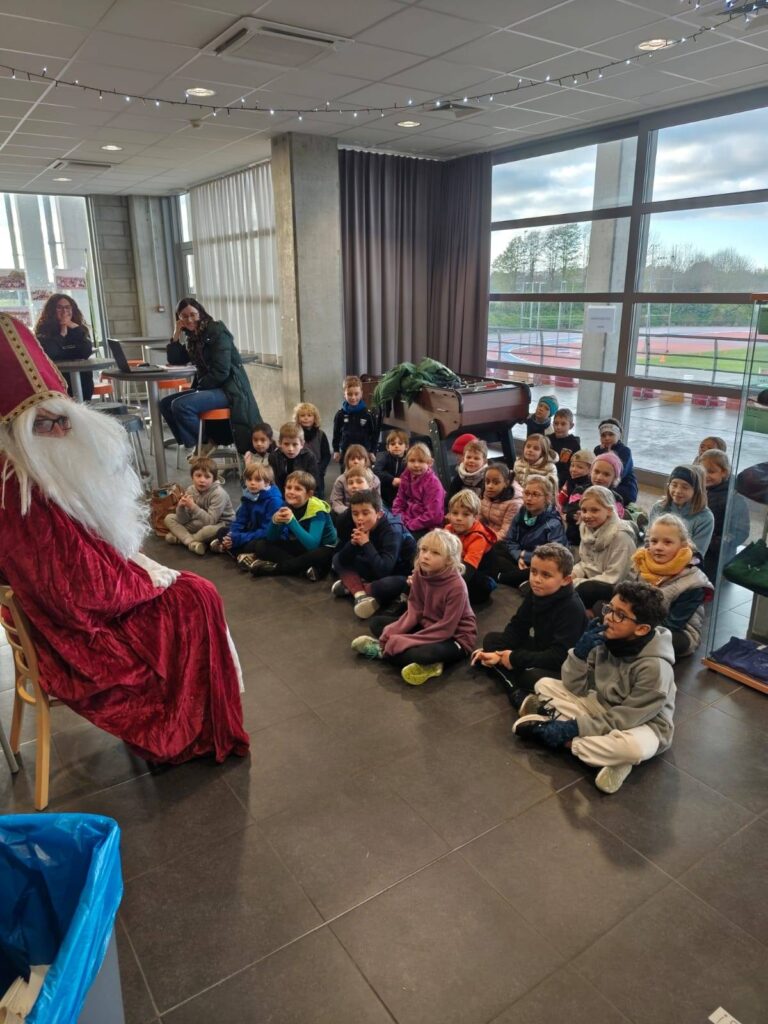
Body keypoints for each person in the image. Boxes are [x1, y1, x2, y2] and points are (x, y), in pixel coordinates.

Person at [0, 313, 248, 764]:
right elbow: (78, 593)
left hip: (68, 610)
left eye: (64, 421)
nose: (62, 433)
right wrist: (145, 580)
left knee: (188, 589)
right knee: (198, 597)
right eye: (46, 425)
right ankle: (188, 730)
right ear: (16, 431)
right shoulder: (22, 491)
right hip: (75, 631)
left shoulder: (24, 473)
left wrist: (128, 567)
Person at [512, 581, 675, 795]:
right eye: (610, 608)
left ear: (642, 629)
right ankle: (606, 758)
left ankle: (570, 741)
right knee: (544, 684)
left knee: (632, 749)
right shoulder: (607, 638)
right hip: (603, 707)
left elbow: (624, 719)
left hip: (642, 724)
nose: (608, 617)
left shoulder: (655, 668)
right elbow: (575, 687)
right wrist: (579, 655)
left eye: (620, 615)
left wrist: (573, 729)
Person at [350, 529, 477, 687]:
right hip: (427, 624)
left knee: (421, 653)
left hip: (455, 637)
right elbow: (414, 608)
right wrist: (395, 630)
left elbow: (446, 628)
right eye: (424, 550)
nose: (425, 556)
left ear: (449, 561)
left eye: (435, 553)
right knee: (378, 624)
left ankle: (383, 652)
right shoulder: (419, 573)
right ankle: (410, 657)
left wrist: (407, 639)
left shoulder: (457, 587)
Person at [473, 542, 587, 709]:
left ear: (565, 580)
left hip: (563, 665)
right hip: (542, 648)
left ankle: (512, 686)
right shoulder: (536, 592)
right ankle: (502, 665)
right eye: (533, 572)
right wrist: (501, 652)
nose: (536, 579)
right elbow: (518, 624)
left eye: (546, 575)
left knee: (529, 676)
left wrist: (513, 657)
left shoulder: (571, 608)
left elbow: (560, 657)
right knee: (491, 640)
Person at [162, 297, 260, 456]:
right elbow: (176, 360)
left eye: (193, 314)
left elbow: (221, 371)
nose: (189, 319)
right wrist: (176, 334)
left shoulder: (217, 331)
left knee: (181, 405)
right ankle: (199, 443)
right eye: (184, 316)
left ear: (200, 313)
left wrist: (200, 388)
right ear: (179, 318)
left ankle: (205, 442)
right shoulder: (193, 337)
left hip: (229, 388)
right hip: (209, 386)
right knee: (165, 404)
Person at [630, 514, 713, 657]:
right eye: (654, 541)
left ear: (682, 545)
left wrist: (631, 627)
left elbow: (673, 624)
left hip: (678, 631)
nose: (658, 547)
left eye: (667, 542)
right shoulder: (641, 563)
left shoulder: (694, 581)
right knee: (602, 608)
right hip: (640, 621)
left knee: (654, 640)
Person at [331, 489, 415, 619]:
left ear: (379, 513)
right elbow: (342, 560)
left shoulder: (392, 530)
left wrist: (366, 543)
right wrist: (353, 543)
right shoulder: (362, 524)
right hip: (375, 563)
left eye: (365, 513)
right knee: (337, 558)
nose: (359, 518)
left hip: (397, 573)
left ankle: (353, 586)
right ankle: (360, 595)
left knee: (384, 586)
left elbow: (384, 570)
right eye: (355, 513)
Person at [243, 470, 337, 580]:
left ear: (309, 494)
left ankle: (276, 568)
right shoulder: (286, 505)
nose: (291, 492)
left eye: (298, 489)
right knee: (262, 545)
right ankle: (303, 569)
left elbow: (313, 545)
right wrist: (275, 522)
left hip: (323, 547)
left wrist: (291, 521)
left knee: (321, 555)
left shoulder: (318, 510)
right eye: (288, 488)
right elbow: (271, 538)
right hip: (303, 544)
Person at [491, 474, 567, 587]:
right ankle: (518, 579)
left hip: (540, 562)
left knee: (544, 569)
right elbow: (510, 541)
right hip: (519, 557)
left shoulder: (553, 523)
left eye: (535, 494)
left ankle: (504, 577)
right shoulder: (521, 513)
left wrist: (527, 557)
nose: (529, 498)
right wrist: (519, 556)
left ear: (547, 498)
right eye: (526, 493)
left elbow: (554, 556)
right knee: (495, 548)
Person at [571, 486, 637, 610]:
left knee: (581, 591)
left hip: (617, 587)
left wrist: (577, 582)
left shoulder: (621, 536)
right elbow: (585, 563)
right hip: (592, 580)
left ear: (609, 511)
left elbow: (614, 578)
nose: (587, 515)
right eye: (584, 510)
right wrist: (573, 574)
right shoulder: (586, 529)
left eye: (594, 510)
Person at [210, 461, 282, 561]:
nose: (252, 483)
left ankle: (228, 548)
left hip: (266, 536)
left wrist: (239, 538)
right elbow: (240, 521)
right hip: (251, 532)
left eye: (257, 480)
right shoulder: (249, 496)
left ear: (267, 482)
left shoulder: (274, 501)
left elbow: (267, 531)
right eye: (249, 479)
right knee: (222, 531)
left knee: (258, 545)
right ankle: (238, 552)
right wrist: (232, 535)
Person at [164, 457, 235, 555]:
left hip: (221, 524)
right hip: (200, 520)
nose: (202, 480)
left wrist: (192, 506)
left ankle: (182, 539)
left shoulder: (219, 494)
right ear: (192, 477)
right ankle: (193, 542)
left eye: (207, 477)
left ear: (214, 479)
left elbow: (210, 521)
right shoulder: (191, 490)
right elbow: (184, 520)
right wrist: (181, 507)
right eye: (198, 475)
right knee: (169, 518)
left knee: (206, 531)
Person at [699, 448, 750, 582]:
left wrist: (711, 541)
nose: (705, 475)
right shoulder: (698, 490)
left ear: (724, 472)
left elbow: (741, 532)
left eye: (711, 471)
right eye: (702, 471)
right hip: (697, 547)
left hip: (716, 556)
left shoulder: (735, 499)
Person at [34, 293, 95, 401]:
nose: (64, 311)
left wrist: (74, 327)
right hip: (57, 381)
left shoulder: (79, 329)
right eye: (59, 307)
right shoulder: (43, 330)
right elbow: (50, 352)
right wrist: (62, 334)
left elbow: (86, 351)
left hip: (82, 380)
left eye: (68, 307)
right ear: (52, 310)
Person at [444, 489, 497, 604]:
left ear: (475, 517)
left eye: (466, 514)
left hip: (479, 574)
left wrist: (446, 589)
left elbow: (468, 570)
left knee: (475, 588)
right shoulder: (448, 529)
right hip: (459, 566)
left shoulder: (478, 537)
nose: (458, 518)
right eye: (455, 513)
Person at [649, 464, 714, 557]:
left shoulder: (705, 518)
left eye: (685, 487)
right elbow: (649, 539)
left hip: (684, 562)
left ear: (696, 490)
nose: (678, 490)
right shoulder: (658, 507)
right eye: (674, 485)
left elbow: (697, 553)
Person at [392, 442, 446, 539]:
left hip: (427, 527)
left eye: (421, 461)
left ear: (429, 463)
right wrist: (400, 518)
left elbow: (434, 516)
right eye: (412, 461)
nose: (416, 465)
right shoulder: (405, 477)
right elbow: (399, 501)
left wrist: (410, 524)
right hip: (407, 521)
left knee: (402, 540)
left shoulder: (433, 484)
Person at [332, 374, 377, 461]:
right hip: (346, 453)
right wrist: (336, 450)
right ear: (344, 394)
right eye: (349, 394)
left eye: (356, 394)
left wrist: (372, 451)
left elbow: (374, 435)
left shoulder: (368, 415)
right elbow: (336, 434)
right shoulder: (340, 415)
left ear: (361, 394)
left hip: (364, 453)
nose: (353, 397)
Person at [593, 418, 637, 504]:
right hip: (603, 482)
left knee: (603, 496)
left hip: (623, 485)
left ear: (619, 435)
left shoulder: (625, 451)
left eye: (611, 434)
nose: (607, 438)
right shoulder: (598, 450)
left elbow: (620, 474)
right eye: (603, 435)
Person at [329, 444, 381, 516]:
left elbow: (377, 501)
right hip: (346, 513)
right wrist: (351, 513)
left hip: (368, 513)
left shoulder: (375, 479)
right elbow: (335, 501)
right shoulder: (341, 480)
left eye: (359, 459)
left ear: (365, 461)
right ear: (347, 462)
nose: (356, 461)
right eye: (352, 459)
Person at [268, 422, 318, 494]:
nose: (290, 449)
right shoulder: (274, 457)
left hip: (302, 494)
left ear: (302, 444)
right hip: (280, 493)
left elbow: (313, 483)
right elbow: (273, 482)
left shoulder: (309, 457)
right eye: (286, 444)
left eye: (295, 444)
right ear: (280, 443)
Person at [294, 402, 331, 499]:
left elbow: (326, 455)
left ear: (315, 418)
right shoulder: (295, 434)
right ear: (298, 418)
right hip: (299, 471)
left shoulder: (321, 434)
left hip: (317, 471)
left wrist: (320, 470)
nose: (306, 418)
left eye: (309, 415)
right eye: (302, 415)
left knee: (318, 498)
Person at [558, 449, 595, 545]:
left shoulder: (589, 487)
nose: (574, 469)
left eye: (580, 467)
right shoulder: (570, 481)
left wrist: (566, 515)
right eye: (572, 465)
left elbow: (574, 514)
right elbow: (560, 500)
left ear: (591, 470)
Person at [479, 462, 522, 542]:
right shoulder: (486, 495)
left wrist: (485, 541)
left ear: (506, 483)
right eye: (487, 482)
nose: (490, 486)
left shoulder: (514, 504)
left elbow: (506, 533)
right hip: (487, 534)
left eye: (496, 482)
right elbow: (479, 519)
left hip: (503, 541)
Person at [374, 429, 409, 507]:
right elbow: (376, 471)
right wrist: (391, 479)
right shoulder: (384, 457)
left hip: (403, 498)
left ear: (406, 447)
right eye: (393, 444)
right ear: (388, 447)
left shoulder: (409, 460)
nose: (396, 446)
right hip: (384, 497)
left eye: (400, 443)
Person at [550, 408, 581, 488]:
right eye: (556, 423)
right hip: (548, 476)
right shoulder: (547, 440)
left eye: (563, 424)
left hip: (565, 481)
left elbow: (575, 466)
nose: (558, 427)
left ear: (571, 426)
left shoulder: (574, 443)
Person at [590, 451, 626, 518]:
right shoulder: (580, 491)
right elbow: (571, 511)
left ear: (614, 478)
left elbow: (617, 519)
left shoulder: (617, 499)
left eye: (606, 474)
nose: (599, 477)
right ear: (591, 472)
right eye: (596, 472)